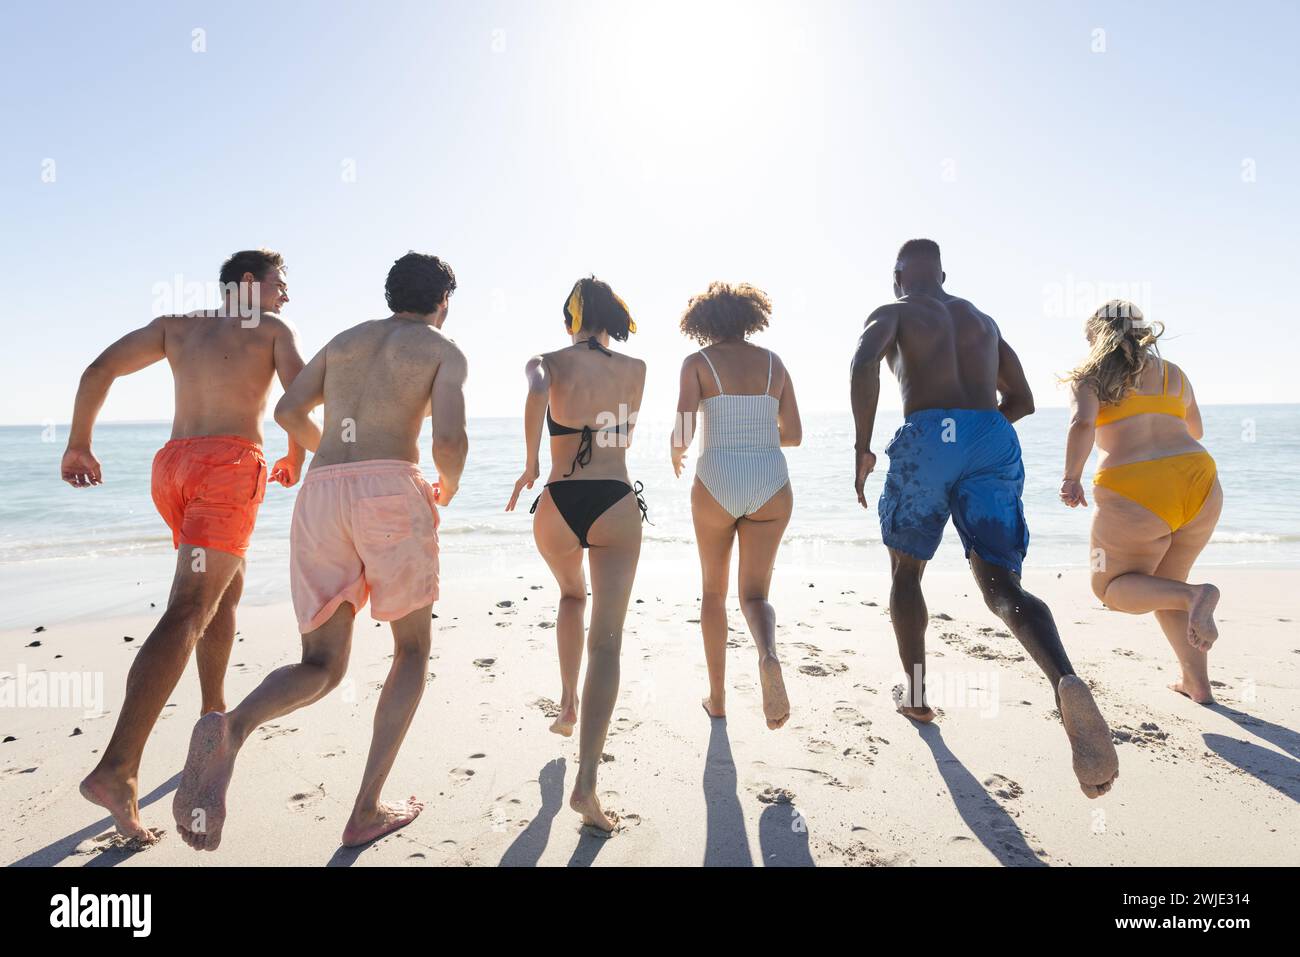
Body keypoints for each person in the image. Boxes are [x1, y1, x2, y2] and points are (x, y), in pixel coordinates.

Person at [172, 252, 468, 850]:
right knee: (411, 651)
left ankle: (232, 726)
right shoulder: (443, 349)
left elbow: (288, 411)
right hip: (390, 489)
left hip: (321, 494)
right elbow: (449, 437)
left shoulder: (345, 341)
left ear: (392, 295)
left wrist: (331, 453)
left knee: (322, 665)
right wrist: (448, 485)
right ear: (442, 301)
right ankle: (365, 809)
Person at [849, 239, 1119, 798]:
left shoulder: (894, 312)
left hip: (929, 434)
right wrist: (976, 431)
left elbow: (861, 362)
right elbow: (1021, 400)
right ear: (943, 275)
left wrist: (862, 446)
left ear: (898, 277)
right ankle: (1063, 678)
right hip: (991, 436)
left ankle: (918, 694)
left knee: (906, 574)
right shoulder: (984, 321)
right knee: (1001, 585)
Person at [64, 248, 307, 843]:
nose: (286, 294)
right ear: (248, 283)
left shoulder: (175, 327)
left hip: (174, 468)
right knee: (189, 608)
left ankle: (211, 715)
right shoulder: (271, 330)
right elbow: (297, 402)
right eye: (281, 283)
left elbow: (99, 368)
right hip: (228, 466)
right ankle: (117, 770)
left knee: (226, 591)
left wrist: (79, 444)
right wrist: (300, 453)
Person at [506, 276, 647, 832]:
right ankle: (586, 784)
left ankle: (566, 704)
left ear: (572, 315)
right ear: (615, 316)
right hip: (614, 498)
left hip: (558, 500)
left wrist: (529, 462)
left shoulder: (547, 359)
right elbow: (622, 435)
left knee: (570, 596)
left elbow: (537, 390)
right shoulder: (636, 370)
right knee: (607, 642)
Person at [1061, 301, 1221, 702]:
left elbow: (1081, 424)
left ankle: (1196, 596)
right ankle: (1197, 685)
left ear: (1097, 336)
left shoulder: (1090, 377)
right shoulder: (1174, 374)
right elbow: (1195, 430)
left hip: (1136, 488)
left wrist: (1071, 477)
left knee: (1111, 588)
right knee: (1167, 586)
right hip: (1200, 483)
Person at [671, 282, 801, 729]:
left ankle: (718, 698)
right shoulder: (774, 363)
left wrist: (675, 452)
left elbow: (684, 433)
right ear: (750, 318)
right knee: (756, 595)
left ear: (703, 323)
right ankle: (767, 654)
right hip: (770, 479)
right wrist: (758, 434)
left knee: (713, 593)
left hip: (716, 479)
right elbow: (795, 433)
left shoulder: (697, 363)